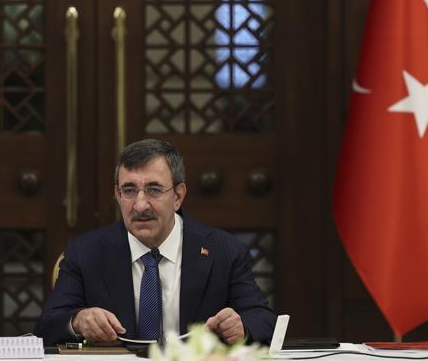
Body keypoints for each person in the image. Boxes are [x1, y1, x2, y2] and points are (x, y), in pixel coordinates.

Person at [35, 139, 276, 346]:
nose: (140, 205)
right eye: (129, 190)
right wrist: (77, 321)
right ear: (117, 195)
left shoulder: (224, 250)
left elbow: (263, 319)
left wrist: (241, 327)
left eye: (153, 190)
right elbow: (47, 326)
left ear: (178, 196)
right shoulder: (85, 252)